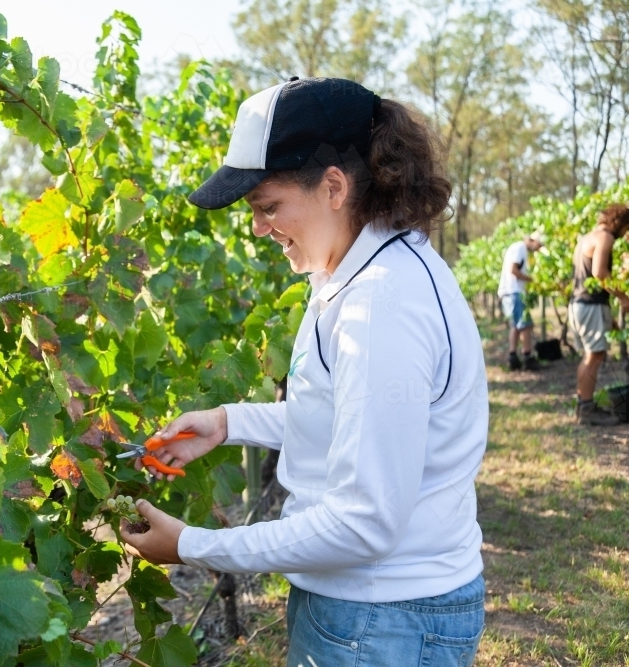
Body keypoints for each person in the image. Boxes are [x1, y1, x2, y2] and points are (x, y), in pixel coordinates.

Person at [121, 77, 488, 667]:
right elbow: (351, 414)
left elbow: (363, 524)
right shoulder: (357, 272)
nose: (259, 229)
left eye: (269, 207)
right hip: (374, 613)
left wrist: (194, 546)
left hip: (380, 622)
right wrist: (227, 423)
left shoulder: (380, 305)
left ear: (334, 187)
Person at [570, 204, 629, 426]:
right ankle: (586, 410)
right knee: (593, 355)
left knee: (591, 354)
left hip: (580, 303)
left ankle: (583, 405)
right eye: (626, 228)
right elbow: (598, 272)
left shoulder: (588, 237)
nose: (625, 234)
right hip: (590, 303)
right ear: (620, 223)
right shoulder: (605, 237)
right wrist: (623, 297)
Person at [497, 233, 543, 371]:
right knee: (525, 325)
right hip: (514, 291)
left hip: (511, 292)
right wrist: (531, 280)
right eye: (538, 245)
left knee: (516, 325)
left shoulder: (518, 248)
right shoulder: (520, 248)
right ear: (532, 241)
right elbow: (513, 270)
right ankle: (527, 357)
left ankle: (513, 358)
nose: (537, 249)